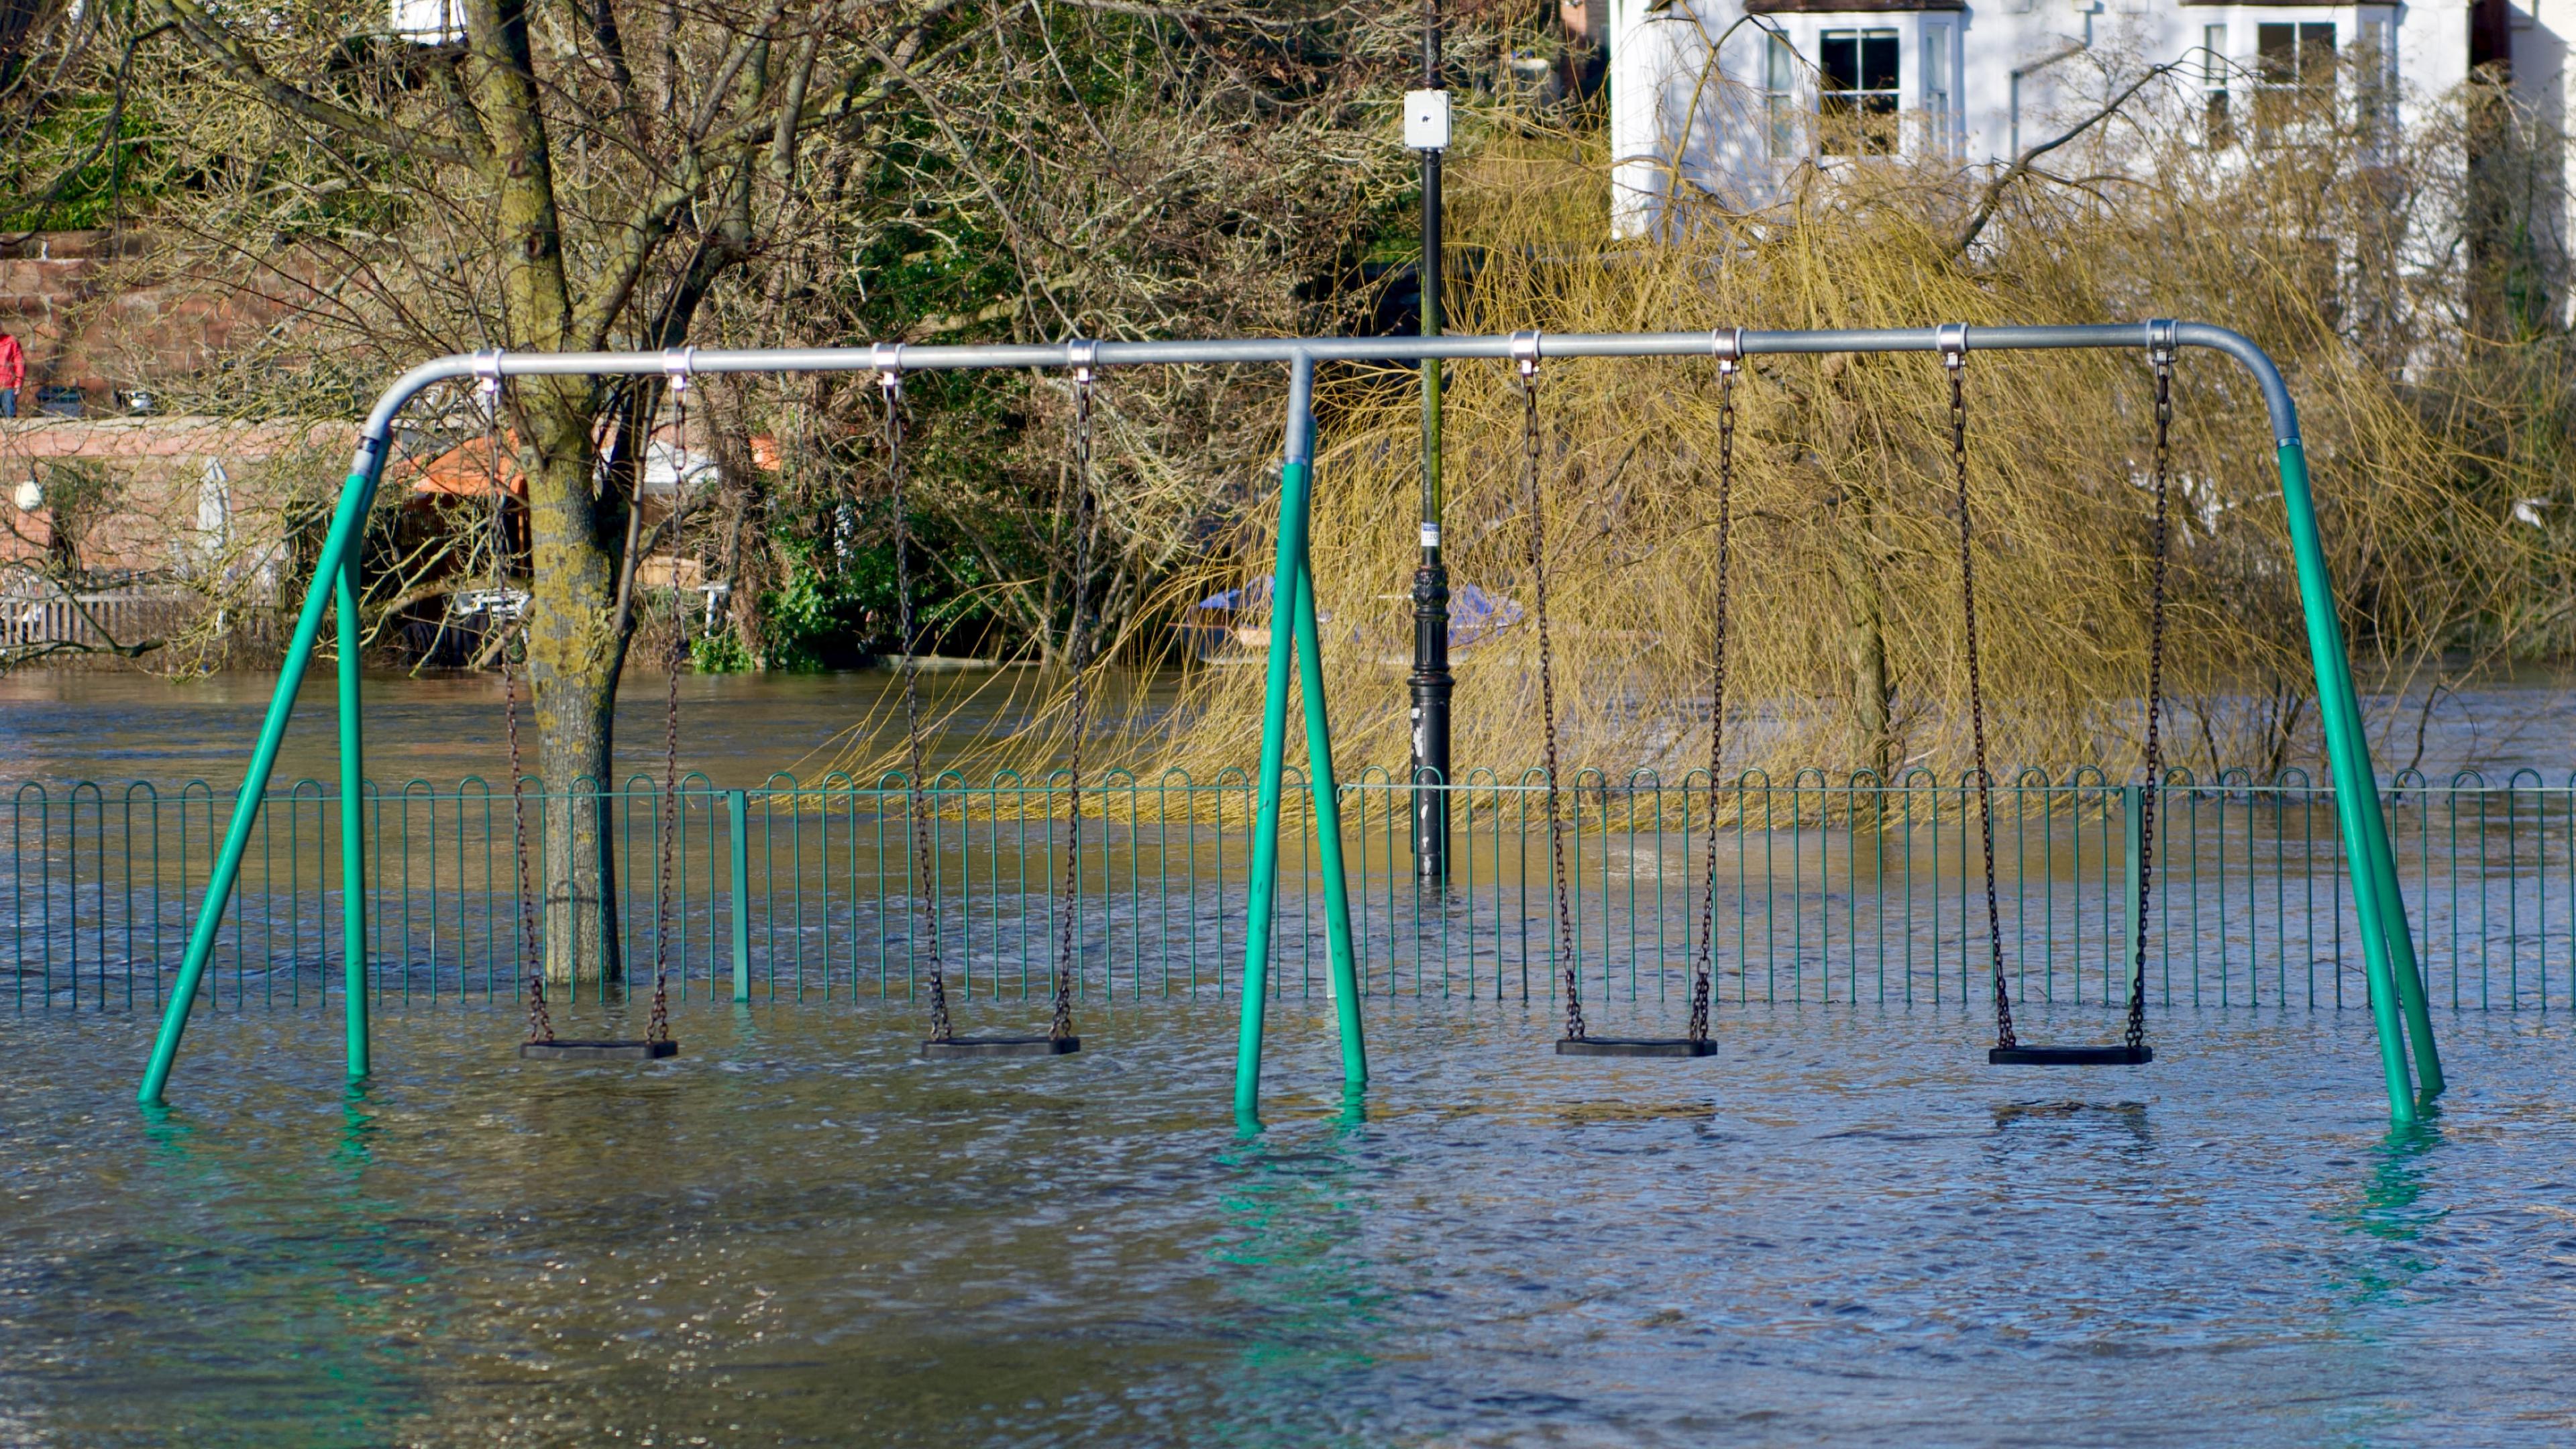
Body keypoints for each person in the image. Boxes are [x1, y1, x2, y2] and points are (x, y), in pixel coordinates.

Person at [0, 331, 23, 418]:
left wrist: (19, 382)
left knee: (9, 417)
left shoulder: (11, 341)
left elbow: (19, 362)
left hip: (8, 386)